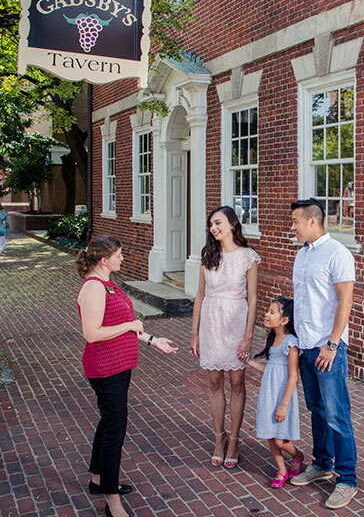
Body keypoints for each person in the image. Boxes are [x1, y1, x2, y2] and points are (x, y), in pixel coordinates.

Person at [76, 235, 178, 517]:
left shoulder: (108, 283)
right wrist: (129, 325)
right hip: (104, 368)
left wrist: (152, 340)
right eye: (119, 255)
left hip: (119, 366)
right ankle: (112, 500)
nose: (123, 259)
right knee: (114, 431)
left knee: (108, 422)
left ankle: (98, 480)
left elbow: (126, 325)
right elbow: (92, 333)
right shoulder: (94, 287)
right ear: (103, 260)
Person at [288, 198, 358, 509]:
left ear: (313, 222)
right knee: (316, 409)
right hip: (305, 346)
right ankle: (322, 463)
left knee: (337, 414)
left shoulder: (338, 254)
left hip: (328, 348)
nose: (293, 227)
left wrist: (331, 345)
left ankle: (347, 478)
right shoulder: (301, 256)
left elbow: (345, 302)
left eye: (296, 222)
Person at [190, 205, 260, 469]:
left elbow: (253, 301)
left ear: (232, 223)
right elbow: (199, 296)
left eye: (218, 223)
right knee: (214, 383)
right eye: (210, 225)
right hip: (211, 322)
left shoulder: (247, 257)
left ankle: (235, 440)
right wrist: (194, 333)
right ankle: (218, 438)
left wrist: (248, 336)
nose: (213, 228)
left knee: (238, 383)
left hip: (236, 322)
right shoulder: (208, 255)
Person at [246, 298, 304, 488]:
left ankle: (297, 455)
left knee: (280, 440)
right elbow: (269, 369)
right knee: (271, 434)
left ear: (284, 320)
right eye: (267, 311)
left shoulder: (291, 343)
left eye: (272, 312)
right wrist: (248, 362)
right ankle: (281, 470)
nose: (267, 315)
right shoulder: (272, 340)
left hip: (282, 395)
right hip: (268, 392)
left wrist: (284, 405)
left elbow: (293, 376)